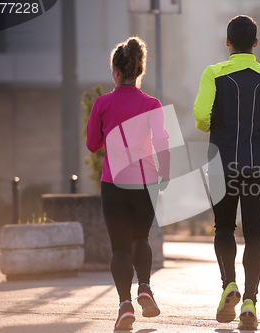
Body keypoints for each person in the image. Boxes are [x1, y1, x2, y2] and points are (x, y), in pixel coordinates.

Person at [193, 15, 260, 330]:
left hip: (222, 163)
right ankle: (250, 301)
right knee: (255, 234)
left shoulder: (214, 73)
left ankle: (229, 285)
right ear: (255, 43)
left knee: (223, 228)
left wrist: (221, 126)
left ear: (227, 43)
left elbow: (200, 117)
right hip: (257, 164)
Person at [86, 36, 170, 330]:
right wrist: (166, 174)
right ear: (139, 72)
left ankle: (124, 305)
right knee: (141, 238)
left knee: (119, 248)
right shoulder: (152, 104)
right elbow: (162, 141)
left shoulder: (102, 104)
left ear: (115, 72)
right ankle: (145, 287)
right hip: (145, 183)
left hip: (113, 183)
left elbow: (92, 145)